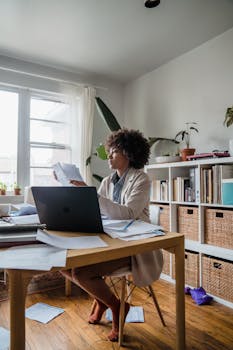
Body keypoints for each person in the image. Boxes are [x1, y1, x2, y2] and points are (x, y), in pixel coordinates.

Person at [61, 128, 163, 342]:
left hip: (134, 247)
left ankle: (117, 307)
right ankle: (103, 300)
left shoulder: (141, 179)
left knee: (81, 273)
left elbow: (127, 214)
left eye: (114, 152)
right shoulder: (108, 181)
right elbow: (100, 210)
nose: (109, 155)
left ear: (129, 153)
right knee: (64, 265)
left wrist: (92, 194)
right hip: (110, 240)